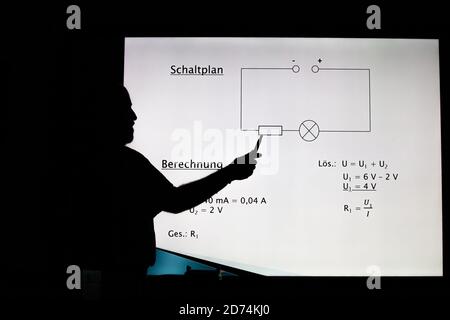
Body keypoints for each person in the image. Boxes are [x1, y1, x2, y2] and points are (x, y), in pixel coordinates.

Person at [64, 84, 260, 298]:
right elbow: (175, 201)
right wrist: (230, 173)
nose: (134, 116)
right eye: (125, 109)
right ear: (106, 115)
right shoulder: (127, 164)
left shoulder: (83, 163)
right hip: (122, 281)